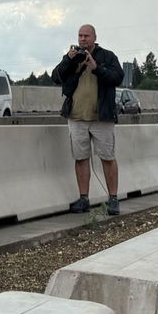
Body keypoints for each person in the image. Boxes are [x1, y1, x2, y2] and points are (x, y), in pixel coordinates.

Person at [52, 24, 126, 216]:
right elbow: (56, 77)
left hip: (101, 117)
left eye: (86, 36)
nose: (82, 39)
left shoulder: (108, 56)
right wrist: (67, 61)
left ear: (94, 37)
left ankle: (113, 199)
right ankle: (84, 198)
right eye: (80, 35)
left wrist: (96, 67)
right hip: (76, 116)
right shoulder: (72, 56)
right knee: (81, 158)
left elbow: (118, 78)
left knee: (108, 158)